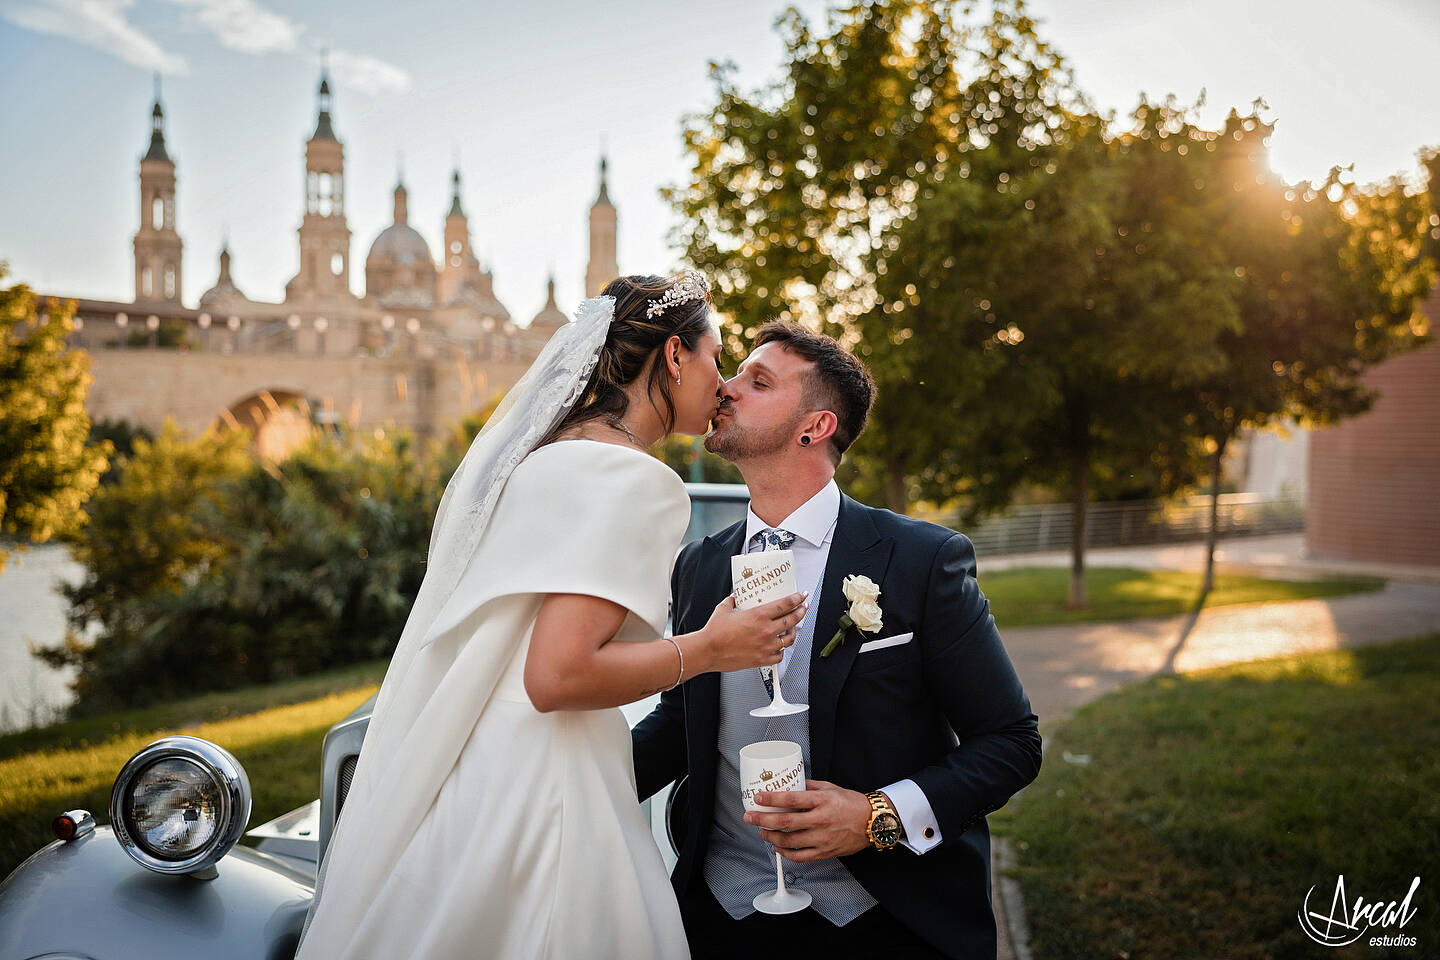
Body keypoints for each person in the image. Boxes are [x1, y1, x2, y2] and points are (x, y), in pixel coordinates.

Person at [296, 273, 809, 960]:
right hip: (552, 791)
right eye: (717, 357)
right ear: (674, 356)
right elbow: (558, 674)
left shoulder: (544, 456)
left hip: (478, 767)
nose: (722, 383)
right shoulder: (635, 478)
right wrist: (712, 648)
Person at [632, 321, 1043, 960]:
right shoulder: (700, 566)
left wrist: (877, 816)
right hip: (718, 915)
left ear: (814, 426)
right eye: (735, 371)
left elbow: (1011, 744)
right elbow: (682, 720)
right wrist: (570, 781)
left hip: (885, 919)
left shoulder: (921, 560)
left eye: (757, 380)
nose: (725, 388)